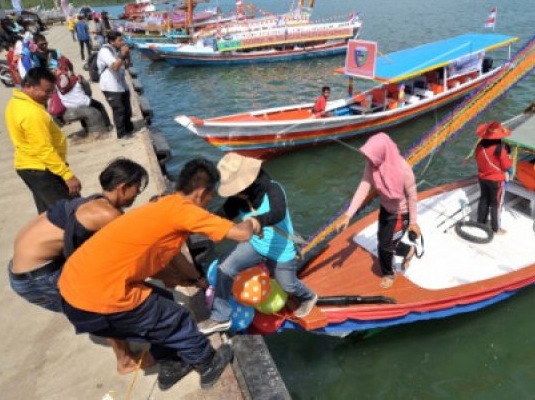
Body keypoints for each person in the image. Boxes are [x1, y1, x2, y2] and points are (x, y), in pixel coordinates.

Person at [57, 158, 262, 392]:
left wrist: (186, 278)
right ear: (201, 193)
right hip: (99, 300)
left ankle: (171, 367)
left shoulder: (162, 204)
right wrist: (253, 222)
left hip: (71, 294)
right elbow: (240, 234)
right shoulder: (187, 211)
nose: (209, 203)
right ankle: (207, 364)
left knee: (161, 302)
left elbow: (158, 258)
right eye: (211, 197)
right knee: (177, 319)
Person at [9, 159, 149, 374]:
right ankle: (125, 360)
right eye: (136, 191)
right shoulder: (108, 215)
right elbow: (141, 248)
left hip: (23, 267)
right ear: (123, 188)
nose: (136, 196)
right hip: (36, 279)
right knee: (103, 304)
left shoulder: (91, 202)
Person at [199, 154, 317, 334]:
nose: (233, 193)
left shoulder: (273, 189)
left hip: (280, 250)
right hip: (255, 246)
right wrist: (200, 221)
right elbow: (222, 214)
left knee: (288, 285)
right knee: (224, 268)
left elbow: (278, 212)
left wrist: (258, 221)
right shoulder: (239, 199)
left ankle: (309, 296)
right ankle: (220, 316)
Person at [338, 133, 420, 288]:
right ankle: (409, 250)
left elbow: (412, 196)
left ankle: (389, 273)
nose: (368, 160)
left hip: (400, 214)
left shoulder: (404, 169)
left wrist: (413, 222)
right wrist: (348, 214)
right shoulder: (372, 166)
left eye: (371, 156)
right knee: (383, 240)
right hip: (385, 209)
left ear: (382, 154)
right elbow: (363, 188)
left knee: (385, 245)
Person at [5, 67, 82, 213]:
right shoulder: (32, 114)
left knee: (47, 211)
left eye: (52, 91)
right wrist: (67, 175)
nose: (49, 96)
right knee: (68, 212)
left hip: (29, 166)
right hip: (42, 168)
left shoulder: (17, 101)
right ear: (28, 86)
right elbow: (44, 149)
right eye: (46, 91)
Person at [474, 121, 512, 235]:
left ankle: (481, 222)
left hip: (482, 177)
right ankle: (496, 228)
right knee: (496, 204)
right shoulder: (500, 149)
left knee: (484, 199)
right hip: (496, 180)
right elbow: (506, 166)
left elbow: (477, 159)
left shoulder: (479, 146)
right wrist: (509, 158)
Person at [97, 30, 134, 138]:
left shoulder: (118, 50)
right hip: (110, 86)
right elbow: (114, 66)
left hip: (121, 84)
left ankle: (129, 128)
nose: (122, 42)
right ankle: (121, 134)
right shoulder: (105, 51)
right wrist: (122, 54)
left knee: (127, 108)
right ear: (112, 41)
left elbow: (126, 66)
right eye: (119, 40)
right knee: (119, 110)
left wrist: (127, 55)